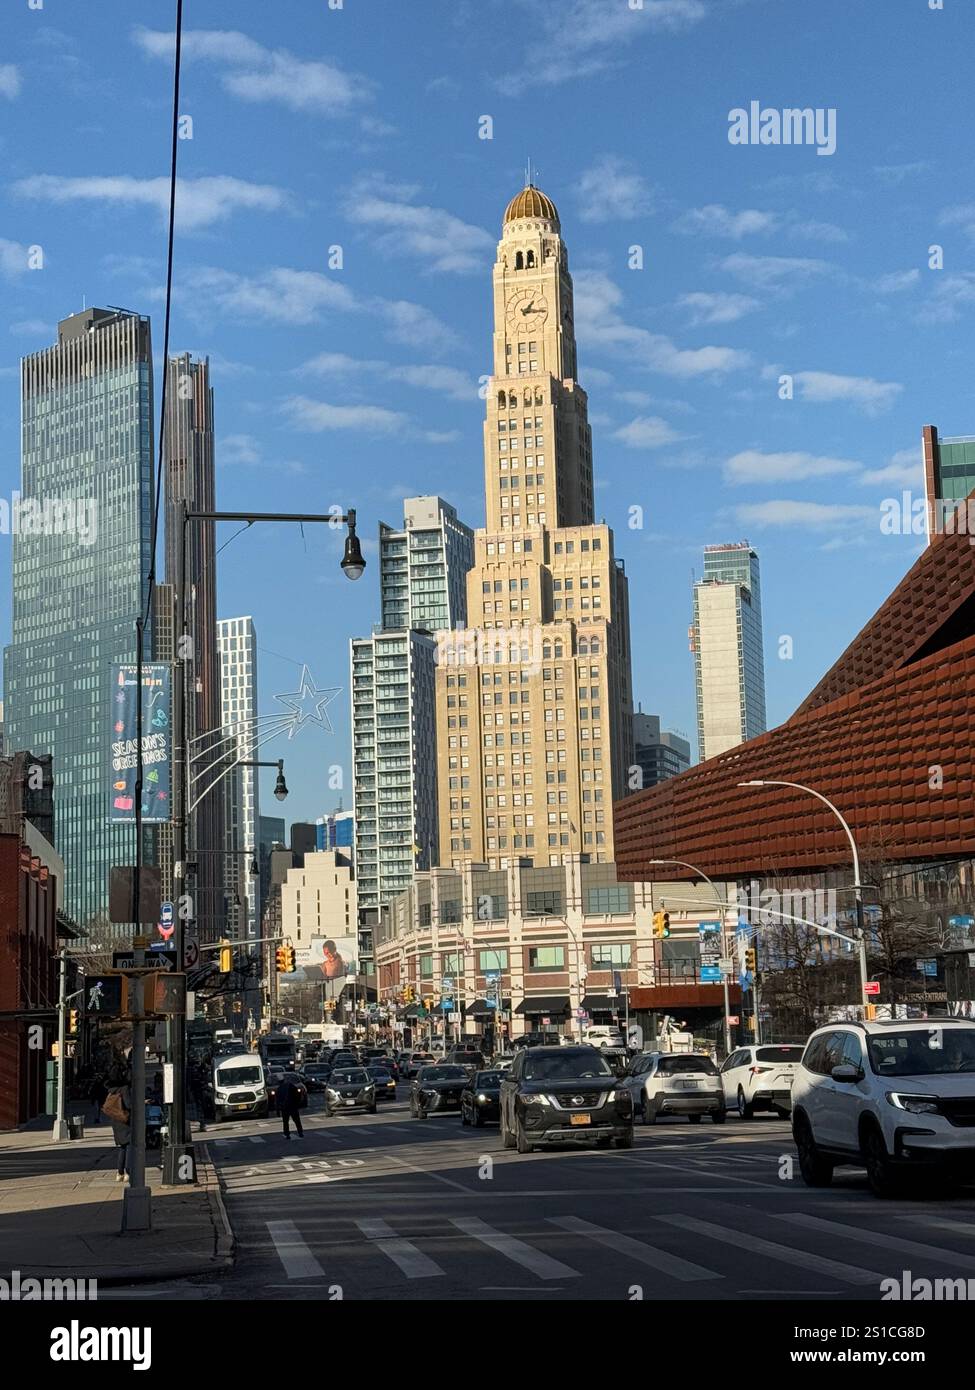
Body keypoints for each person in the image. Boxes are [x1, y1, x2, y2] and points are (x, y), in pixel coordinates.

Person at [102, 1073, 132, 1182]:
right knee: (129, 1146)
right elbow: (128, 1105)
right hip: (125, 1121)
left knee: (122, 1147)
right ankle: (128, 1172)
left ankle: (119, 1173)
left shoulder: (111, 1091)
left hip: (116, 1121)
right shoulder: (124, 1089)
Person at [276, 1070, 304, 1139]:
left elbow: (277, 1100)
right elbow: (297, 1094)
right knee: (297, 1120)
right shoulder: (290, 1085)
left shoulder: (279, 1089)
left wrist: (278, 1110)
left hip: (284, 1107)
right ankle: (300, 1132)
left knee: (285, 1122)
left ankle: (287, 1134)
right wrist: (297, 1103)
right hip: (293, 1106)